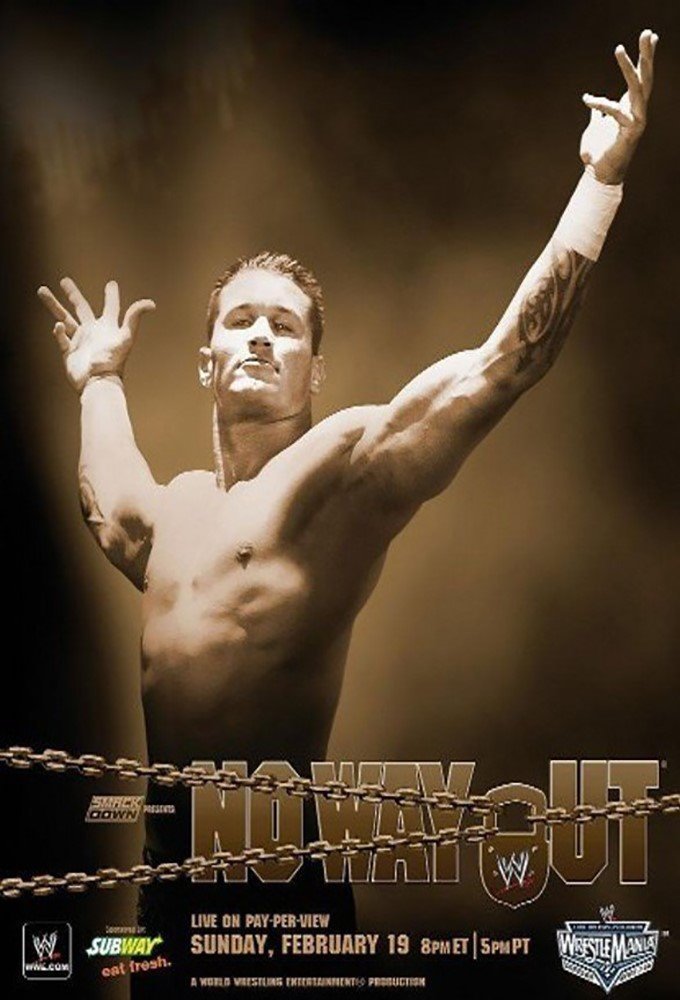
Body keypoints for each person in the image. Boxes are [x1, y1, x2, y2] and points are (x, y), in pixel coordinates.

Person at [37, 29, 658, 998]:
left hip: (278, 885)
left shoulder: (340, 468)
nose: (259, 336)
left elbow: (506, 363)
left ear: (314, 371)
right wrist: (98, 381)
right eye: (240, 320)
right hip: (164, 889)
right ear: (204, 362)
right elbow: (106, 506)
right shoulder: (174, 514)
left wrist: (599, 183)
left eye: (284, 327)